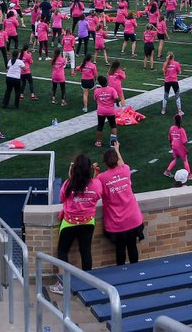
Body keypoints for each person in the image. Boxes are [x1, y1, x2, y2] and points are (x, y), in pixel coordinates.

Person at [49, 153, 102, 294]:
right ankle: (88, 282)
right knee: (85, 251)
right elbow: (96, 193)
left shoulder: (68, 184)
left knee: (62, 251)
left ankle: (62, 285)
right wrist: (95, 175)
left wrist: (70, 177)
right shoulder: (96, 184)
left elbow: (62, 198)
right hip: (87, 223)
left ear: (74, 169)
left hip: (69, 223)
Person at [98, 142, 144, 266]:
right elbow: (122, 163)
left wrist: (95, 173)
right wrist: (117, 150)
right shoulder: (125, 170)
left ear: (104, 162)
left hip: (117, 222)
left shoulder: (102, 178)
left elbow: (96, 188)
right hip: (133, 219)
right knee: (132, 246)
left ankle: (121, 273)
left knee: (120, 249)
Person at [93, 74, 119, 148]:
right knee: (113, 125)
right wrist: (117, 103)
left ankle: (98, 142)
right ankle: (113, 142)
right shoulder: (111, 89)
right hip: (110, 110)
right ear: (106, 82)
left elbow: (95, 99)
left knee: (100, 126)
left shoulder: (97, 90)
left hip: (101, 111)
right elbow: (116, 98)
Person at [164, 113, 192, 180]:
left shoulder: (171, 128)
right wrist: (185, 149)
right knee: (185, 160)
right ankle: (189, 175)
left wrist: (171, 146)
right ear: (180, 121)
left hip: (173, 146)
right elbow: (184, 141)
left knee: (175, 159)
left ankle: (167, 171)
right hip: (180, 147)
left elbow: (170, 139)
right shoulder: (181, 130)